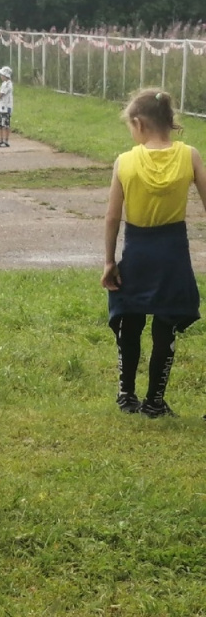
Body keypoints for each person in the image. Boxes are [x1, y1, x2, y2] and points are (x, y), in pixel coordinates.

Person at [101, 89, 206, 417]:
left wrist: (108, 261)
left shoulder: (126, 161)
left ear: (139, 124)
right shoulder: (190, 156)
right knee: (166, 324)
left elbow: (113, 216)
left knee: (128, 321)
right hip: (173, 252)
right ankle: (155, 401)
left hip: (138, 251)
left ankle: (126, 395)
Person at [0, 65, 13, 147]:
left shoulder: (8, 84)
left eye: (2, 75)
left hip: (5, 108)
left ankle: (6, 141)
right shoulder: (4, 84)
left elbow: (0, 94)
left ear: (6, 76)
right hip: (1, 107)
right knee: (0, 124)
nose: (1, 76)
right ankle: (1, 140)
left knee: (5, 125)